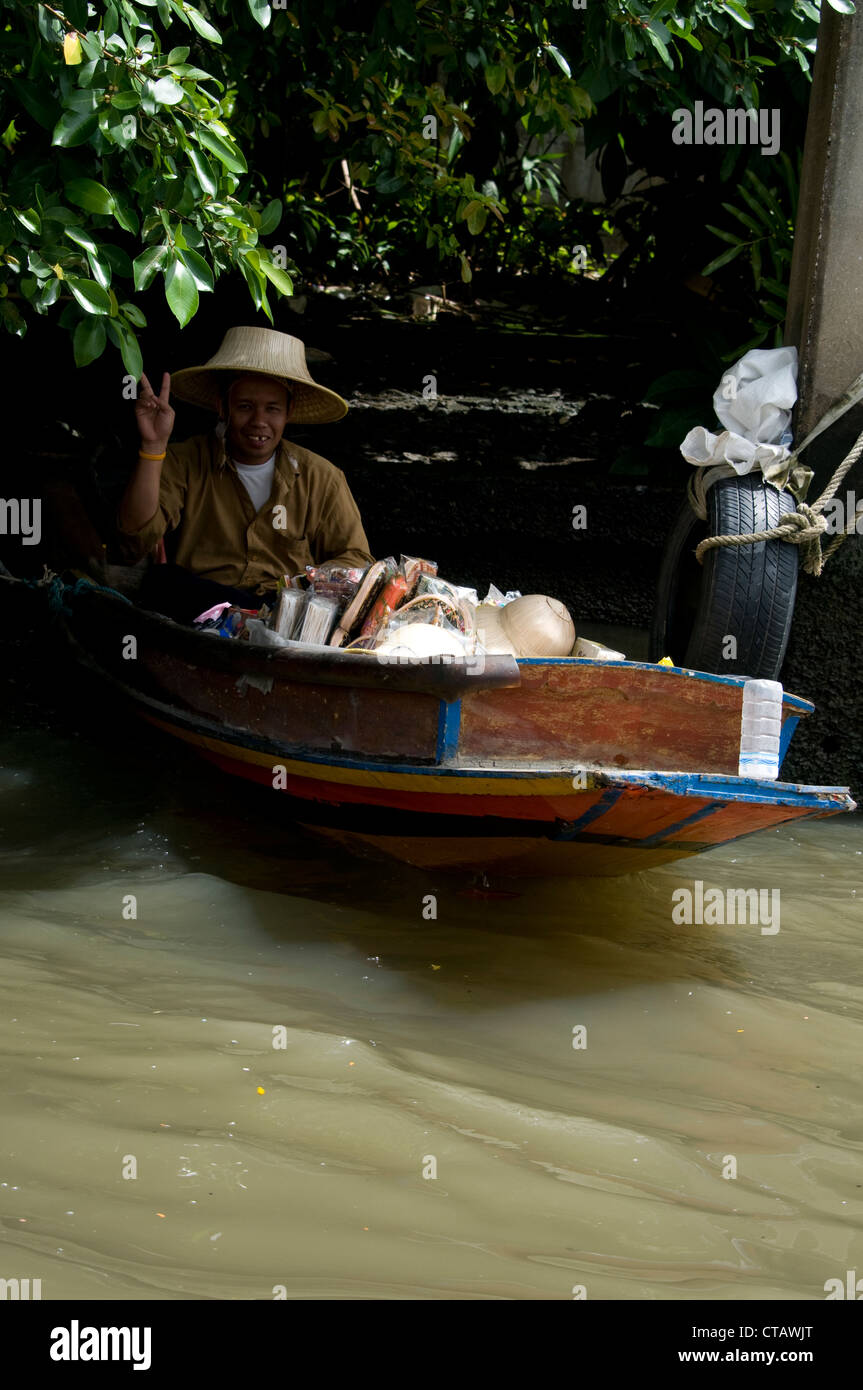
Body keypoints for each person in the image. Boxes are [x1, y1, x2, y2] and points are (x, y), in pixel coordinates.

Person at [118, 325, 374, 623]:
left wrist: (305, 587)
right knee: (161, 582)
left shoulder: (322, 477)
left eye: (272, 409)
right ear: (222, 407)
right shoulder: (185, 462)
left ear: (289, 412)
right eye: (245, 407)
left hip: (284, 614)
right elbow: (132, 542)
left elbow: (355, 560)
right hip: (203, 605)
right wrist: (153, 447)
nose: (259, 421)